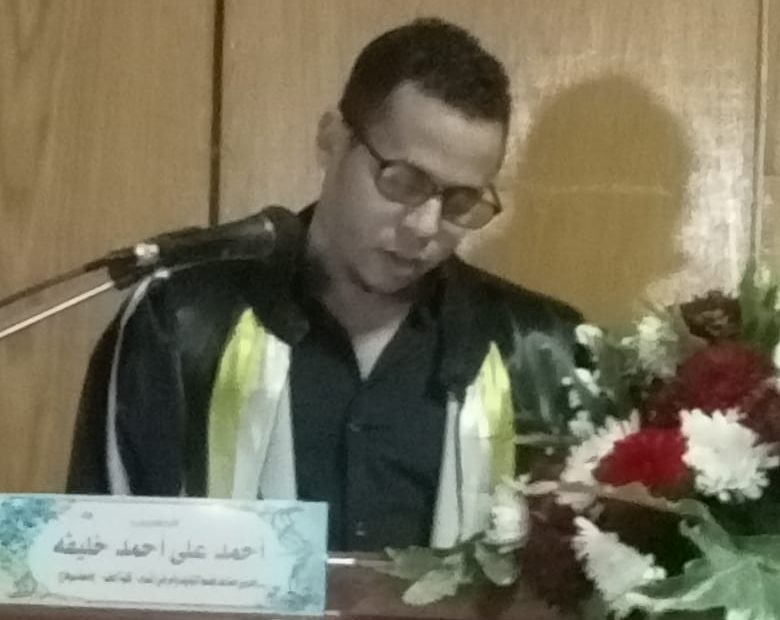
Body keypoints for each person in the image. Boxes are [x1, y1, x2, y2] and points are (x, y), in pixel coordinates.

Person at [68, 17, 582, 552]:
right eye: (403, 181)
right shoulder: (182, 321)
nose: (424, 227)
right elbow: (102, 557)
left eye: (459, 202)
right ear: (332, 140)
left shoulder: (543, 355)